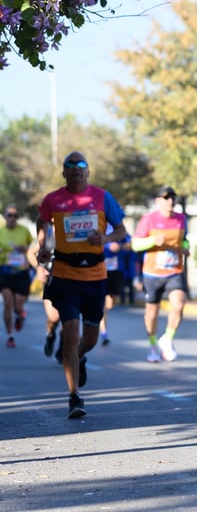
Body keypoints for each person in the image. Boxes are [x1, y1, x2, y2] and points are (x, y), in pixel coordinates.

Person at [36, 152, 127, 419]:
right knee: (71, 335)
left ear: (88, 172)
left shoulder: (102, 197)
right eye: (70, 165)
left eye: (81, 165)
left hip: (95, 277)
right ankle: (74, 397)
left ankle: (79, 357)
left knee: (89, 339)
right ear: (64, 173)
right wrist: (43, 246)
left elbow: (121, 229)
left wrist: (105, 237)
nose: (76, 169)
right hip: (65, 276)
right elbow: (42, 221)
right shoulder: (53, 200)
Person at [132, 186, 189, 363]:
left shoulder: (181, 219)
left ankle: (167, 338)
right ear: (158, 201)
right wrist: (151, 241)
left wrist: (186, 248)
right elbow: (135, 245)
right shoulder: (148, 219)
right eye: (166, 197)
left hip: (175, 271)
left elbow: (185, 240)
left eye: (173, 197)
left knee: (178, 305)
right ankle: (152, 345)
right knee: (152, 312)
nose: (170, 201)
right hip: (152, 273)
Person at [0, 204, 34, 348]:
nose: (13, 218)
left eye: (15, 216)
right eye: (10, 215)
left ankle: (20, 315)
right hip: (5, 271)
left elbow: (33, 248)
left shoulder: (24, 231)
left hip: (21, 272)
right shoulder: (1, 232)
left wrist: (25, 249)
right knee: (8, 302)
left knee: (18, 305)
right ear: (5, 216)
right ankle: (10, 335)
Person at [26, 238, 61, 360]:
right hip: (50, 281)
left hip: (70, 280)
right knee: (54, 317)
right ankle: (51, 335)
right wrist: (39, 268)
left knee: (70, 319)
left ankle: (63, 346)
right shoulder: (48, 237)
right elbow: (30, 252)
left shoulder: (74, 233)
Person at [99, 226, 131, 345]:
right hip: (100, 270)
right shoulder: (98, 225)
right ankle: (104, 332)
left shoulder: (118, 228)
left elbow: (130, 244)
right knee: (102, 304)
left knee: (111, 303)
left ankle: (101, 322)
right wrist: (107, 246)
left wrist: (120, 247)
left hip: (116, 270)